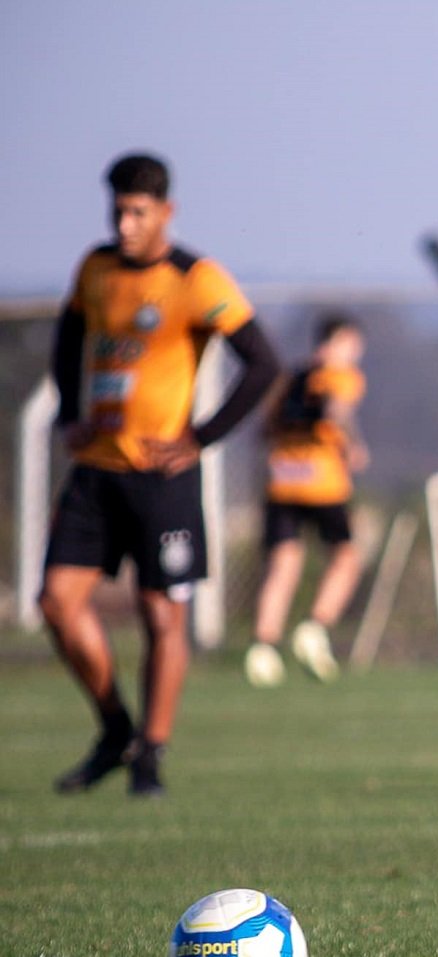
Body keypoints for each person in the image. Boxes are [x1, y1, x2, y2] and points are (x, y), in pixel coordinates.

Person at [41, 152, 280, 797]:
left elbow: (262, 362)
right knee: (57, 604)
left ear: (165, 211)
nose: (124, 224)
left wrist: (199, 438)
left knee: (161, 615)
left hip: (160, 478)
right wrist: (69, 414)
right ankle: (116, 729)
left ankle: (150, 753)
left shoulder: (196, 278)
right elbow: (67, 340)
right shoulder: (95, 269)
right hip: (95, 471)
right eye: (117, 210)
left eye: (137, 212)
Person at [244, 314, 369, 688]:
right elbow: (336, 409)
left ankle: (264, 647)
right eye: (350, 344)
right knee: (346, 557)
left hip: (281, 481)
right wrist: (351, 444)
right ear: (332, 344)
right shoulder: (339, 375)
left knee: (283, 565)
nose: (354, 353)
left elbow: (264, 430)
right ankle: (316, 626)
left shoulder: (287, 380)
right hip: (323, 483)